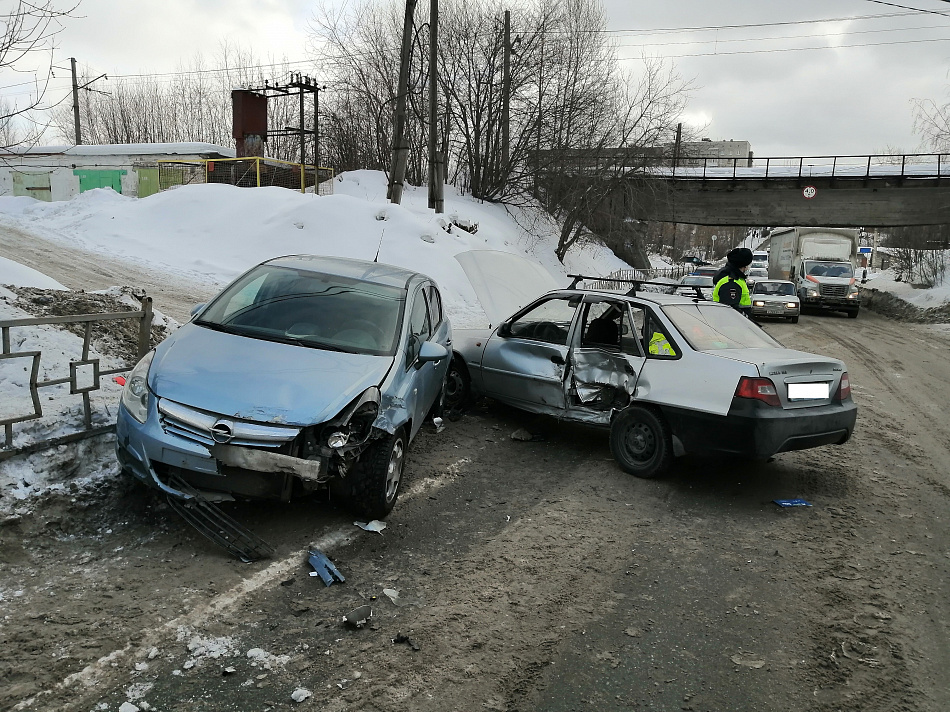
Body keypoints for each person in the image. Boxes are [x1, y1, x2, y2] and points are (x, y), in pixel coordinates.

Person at [713, 247, 753, 317]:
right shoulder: (731, 283)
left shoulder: (737, 279)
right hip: (732, 326)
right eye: (748, 265)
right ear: (743, 265)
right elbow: (730, 312)